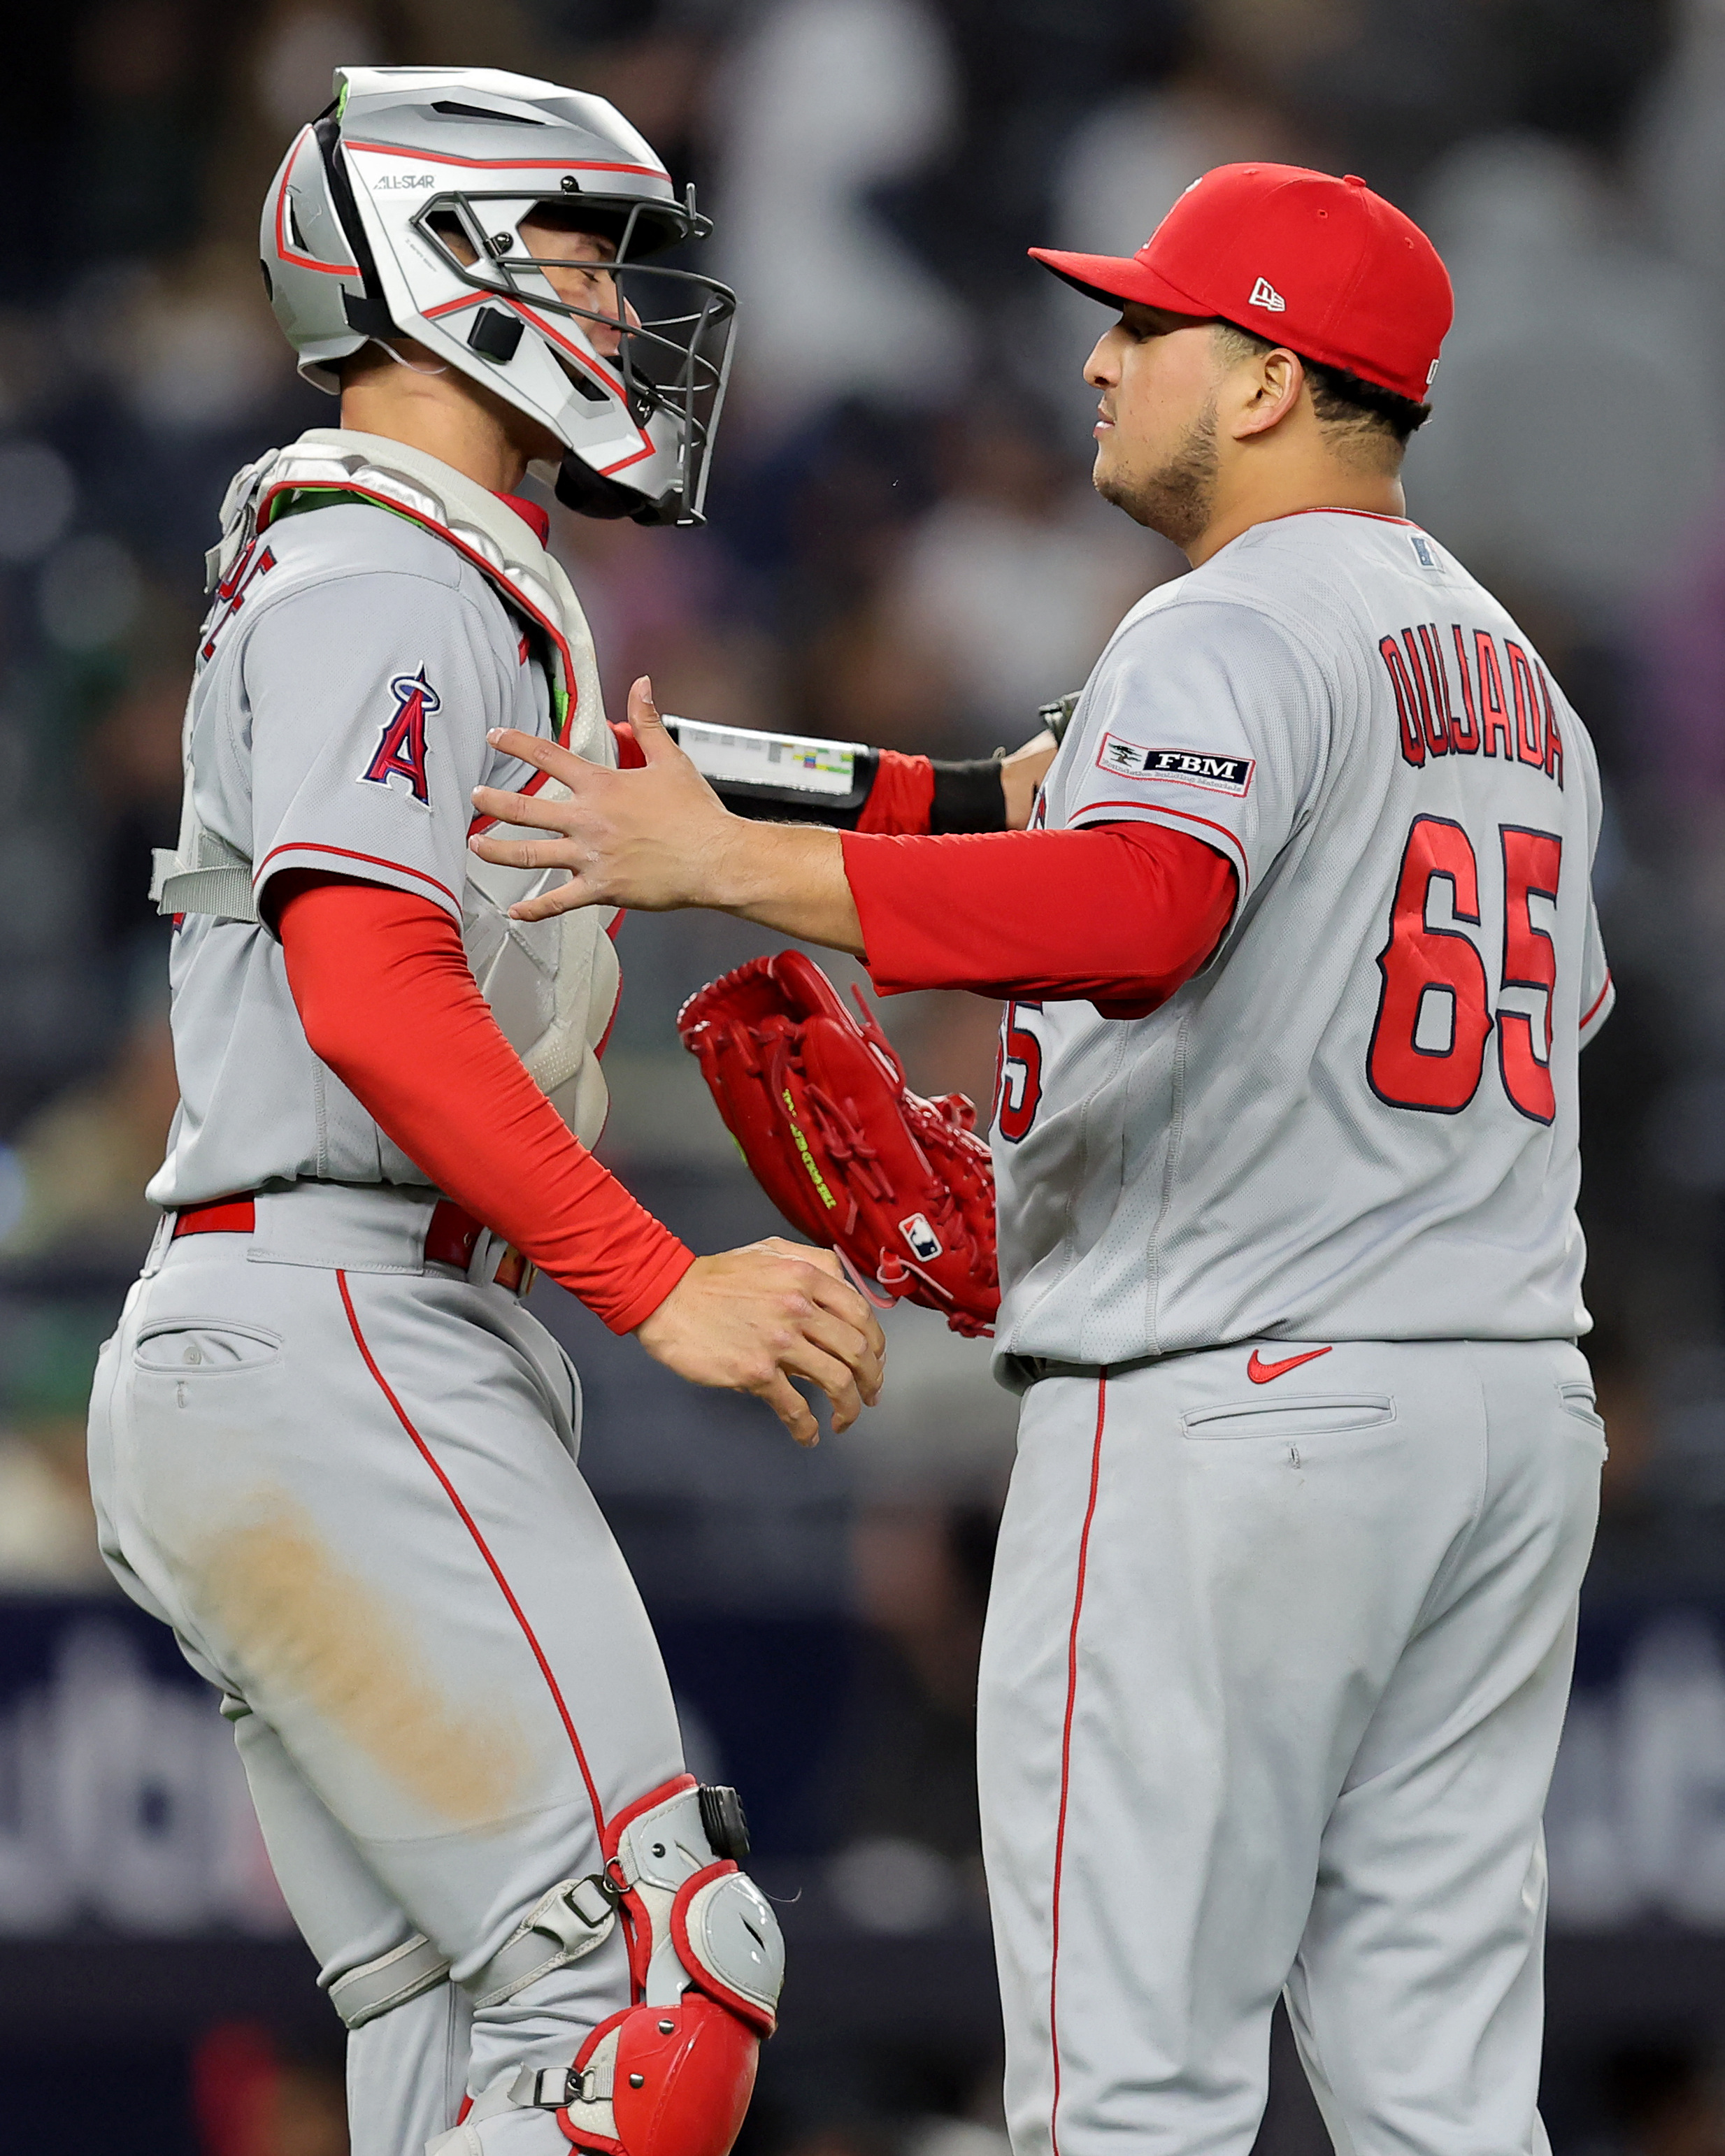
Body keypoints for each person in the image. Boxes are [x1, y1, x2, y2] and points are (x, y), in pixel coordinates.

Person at [466, 163, 1615, 2156]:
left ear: (1261, 380)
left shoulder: (1223, 619)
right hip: (1496, 1418)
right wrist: (723, 777)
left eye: (1146, 328)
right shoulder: (1519, 683)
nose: (1097, 358)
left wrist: (716, 865)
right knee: (1438, 2088)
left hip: (1229, 1419)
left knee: (1126, 2088)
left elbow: (1142, 901)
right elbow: (1505, 1008)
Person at [86, 65, 885, 2156]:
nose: (619, 313)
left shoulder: (431, 570)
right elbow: (369, 988)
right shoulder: (378, 566)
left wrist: (980, 821)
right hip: (340, 1308)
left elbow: (696, 815)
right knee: (658, 1970)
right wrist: (659, 1283)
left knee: (487, 2049)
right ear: (437, 264)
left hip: (324, 1318)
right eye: (576, 255)